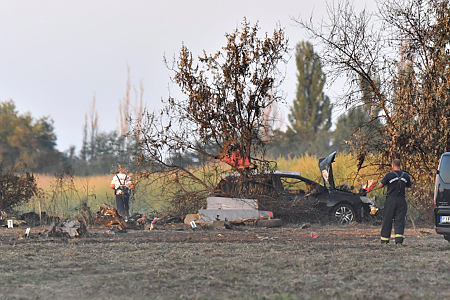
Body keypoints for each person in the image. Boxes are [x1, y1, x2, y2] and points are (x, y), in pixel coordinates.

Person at [376, 158, 412, 245]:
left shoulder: (389, 175)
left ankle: (384, 240)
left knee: (387, 219)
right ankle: (399, 241)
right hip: (401, 200)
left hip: (391, 200)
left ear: (392, 165)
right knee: (400, 220)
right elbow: (409, 185)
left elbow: (380, 185)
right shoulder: (406, 175)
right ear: (400, 165)